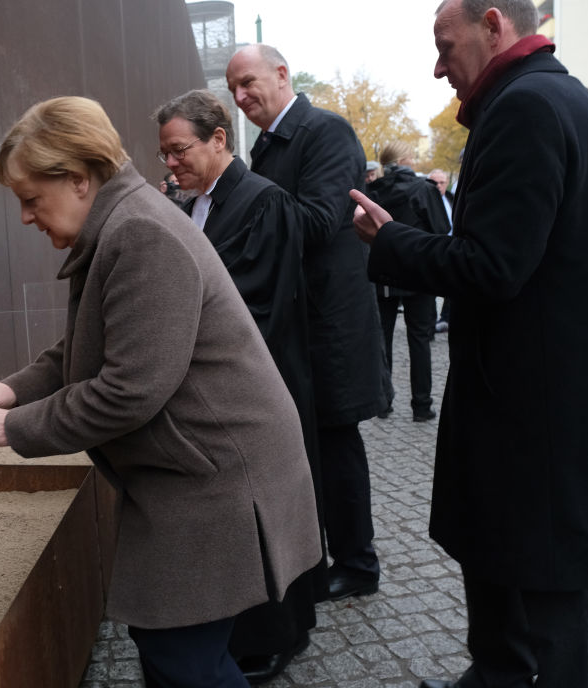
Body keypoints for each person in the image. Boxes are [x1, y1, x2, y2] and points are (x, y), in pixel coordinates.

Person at [0, 96, 322, 688]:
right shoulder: (122, 222)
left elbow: (130, 389)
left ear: (79, 179)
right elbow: (85, 346)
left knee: (183, 656)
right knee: (174, 650)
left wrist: (15, 428)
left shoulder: (138, 233)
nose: (26, 217)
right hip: (197, 477)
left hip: (218, 482)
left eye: (31, 199)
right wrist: (12, 391)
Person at [350, 0, 588, 685]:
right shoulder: (564, 98)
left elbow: (494, 266)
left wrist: (392, 240)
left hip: (533, 407)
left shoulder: (527, 107)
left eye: (445, 43)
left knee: (551, 593)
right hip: (546, 395)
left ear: (494, 23)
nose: (438, 67)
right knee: (515, 568)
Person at [152, 88, 320, 684]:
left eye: (179, 151)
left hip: (253, 391)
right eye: (164, 155)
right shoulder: (194, 203)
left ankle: (278, 639)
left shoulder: (263, 202)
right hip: (223, 398)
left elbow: (255, 307)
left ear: (219, 139)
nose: (170, 165)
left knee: (266, 525)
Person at [226, 44, 387, 607]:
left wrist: (239, 197)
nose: (241, 97)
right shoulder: (270, 146)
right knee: (312, 446)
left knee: (337, 441)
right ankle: (322, 558)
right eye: (234, 90)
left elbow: (319, 222)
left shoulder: (326, 132)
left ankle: (358, 564)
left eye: (249, 83)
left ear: (281, 74)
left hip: (330, 323)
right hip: (296, 321)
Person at [367, 141, 451, 423]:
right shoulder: (423, 189)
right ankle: (422, 405)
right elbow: (441, 228)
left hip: (383, 272)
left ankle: (384, 402)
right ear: (405, 159)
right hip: (417, 272)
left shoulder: (374, 189)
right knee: (419, 340)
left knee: (384, 339)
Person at [428, 168, 454, 333]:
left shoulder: (452, 198)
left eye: (441, 182)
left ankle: (445, 317)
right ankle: (429, 324)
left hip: (452, 247)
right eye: (434, 182)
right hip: (433, 247)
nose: (438, 185)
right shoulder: (424, 200)